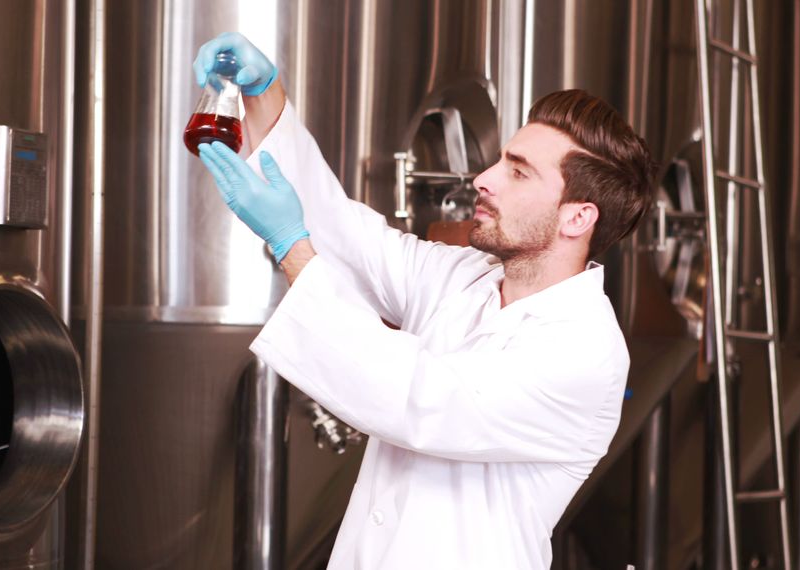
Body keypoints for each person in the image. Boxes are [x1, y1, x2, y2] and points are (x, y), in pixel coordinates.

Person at [194, 32, 656, 570]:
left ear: (579, 216)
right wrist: (265, 97)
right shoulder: (467, 278)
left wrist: (289, 246)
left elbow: (418, 398)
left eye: (518, 171)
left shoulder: (585, 353)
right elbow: (347, 235)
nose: (484, 179)